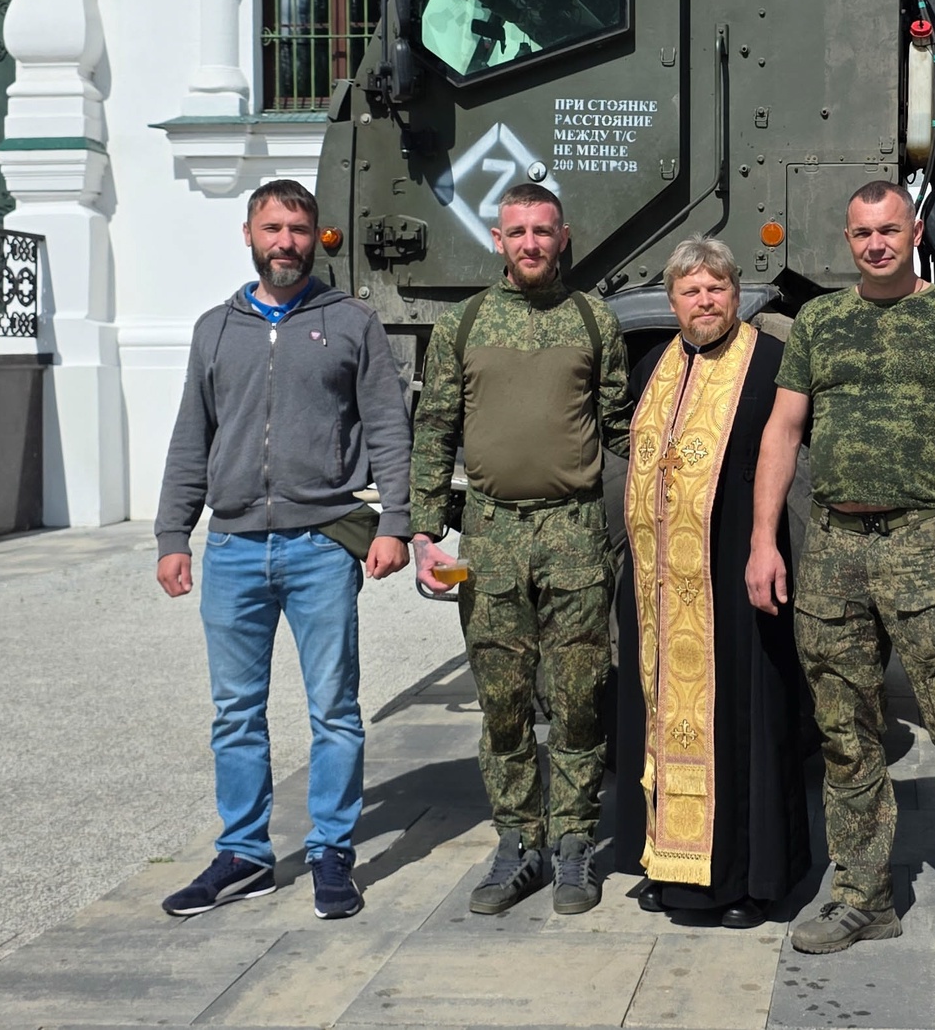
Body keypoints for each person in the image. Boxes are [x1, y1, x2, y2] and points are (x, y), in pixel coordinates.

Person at [749, 181, 935, 996]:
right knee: (845, 734)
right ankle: (862, 895)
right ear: (848, 239)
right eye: (863, 233)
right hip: (833, 548)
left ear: (916, 231)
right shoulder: (820, 324)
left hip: (927, 543)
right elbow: (783, 432)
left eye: (890, 230)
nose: (877, 244)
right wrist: (764, 541)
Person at [153, 178, 413, 922]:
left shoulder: (351, 322)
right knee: (236, 713)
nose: (285, 243)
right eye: (272, 228)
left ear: (315, 236)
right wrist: (173, 534)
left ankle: (332, 851)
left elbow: (387, 427)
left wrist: (394, 522)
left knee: (334, 709)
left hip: (321, 545)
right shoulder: (215, 329)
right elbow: (191, 437)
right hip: (233, 548)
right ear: (249, 234)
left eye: (298, 229)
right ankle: (244, 855)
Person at [409, 182, 630, 915]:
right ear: (497, 240)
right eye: (517, 231)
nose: (531, 243)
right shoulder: (464, 324)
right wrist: (423, 533)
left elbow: (623, 428)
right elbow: (435, 428)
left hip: (574, 534)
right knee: (503, 704)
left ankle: (574, 844)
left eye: (542, 230)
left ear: (563, 237)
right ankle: (518, 844)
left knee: (578, 700)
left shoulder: (594, 320)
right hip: (491, 535)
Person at [610, 237, 814, 928]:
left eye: (717, 288)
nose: (705, 301)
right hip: (662, 584)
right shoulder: (655, 366)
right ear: (672, 302)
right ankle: (672, 867)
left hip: (741, 566)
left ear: (736, 294)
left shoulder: (772, 361)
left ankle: (751, 879)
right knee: (661, 718)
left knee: (746, 715)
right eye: (691, 291)